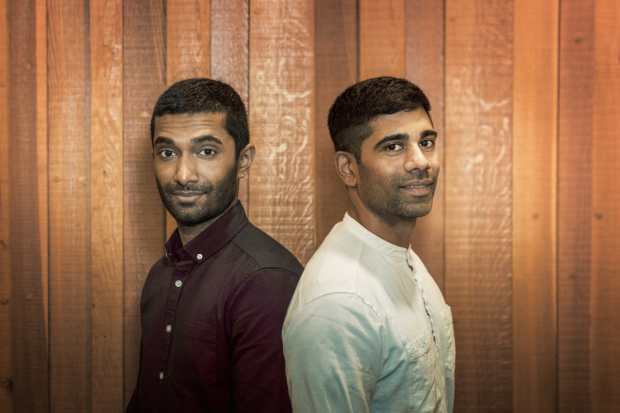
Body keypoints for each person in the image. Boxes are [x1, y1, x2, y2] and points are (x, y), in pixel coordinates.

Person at [126, 78, 303, 413]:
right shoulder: (161, 273)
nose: (182, 174)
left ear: (244, 161)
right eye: (167, 152)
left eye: (206, 151)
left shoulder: (266, 280)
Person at [282, 76, 455, 413]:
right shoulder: (339, 300)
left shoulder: (401, 258)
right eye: (394, 146)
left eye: (427, 141)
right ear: (349, 169)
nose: (421, 161)